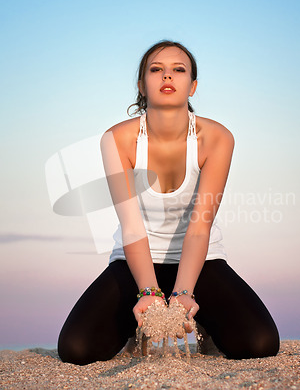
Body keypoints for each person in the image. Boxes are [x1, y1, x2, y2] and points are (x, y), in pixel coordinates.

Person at [57, 40, 280, 365]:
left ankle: (203, 321)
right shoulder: (117, 139)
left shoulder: (216, 138)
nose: (168, 77)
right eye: (156, 69)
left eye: (179, 70)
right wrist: (148, 293)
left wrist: (183, 294)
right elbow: (132, 226)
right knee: (76, 350)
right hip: (134, 261)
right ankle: (135, 327)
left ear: (192, 86)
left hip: (201, 260)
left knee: (259, 344)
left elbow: (200, 226)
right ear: (141, 84)